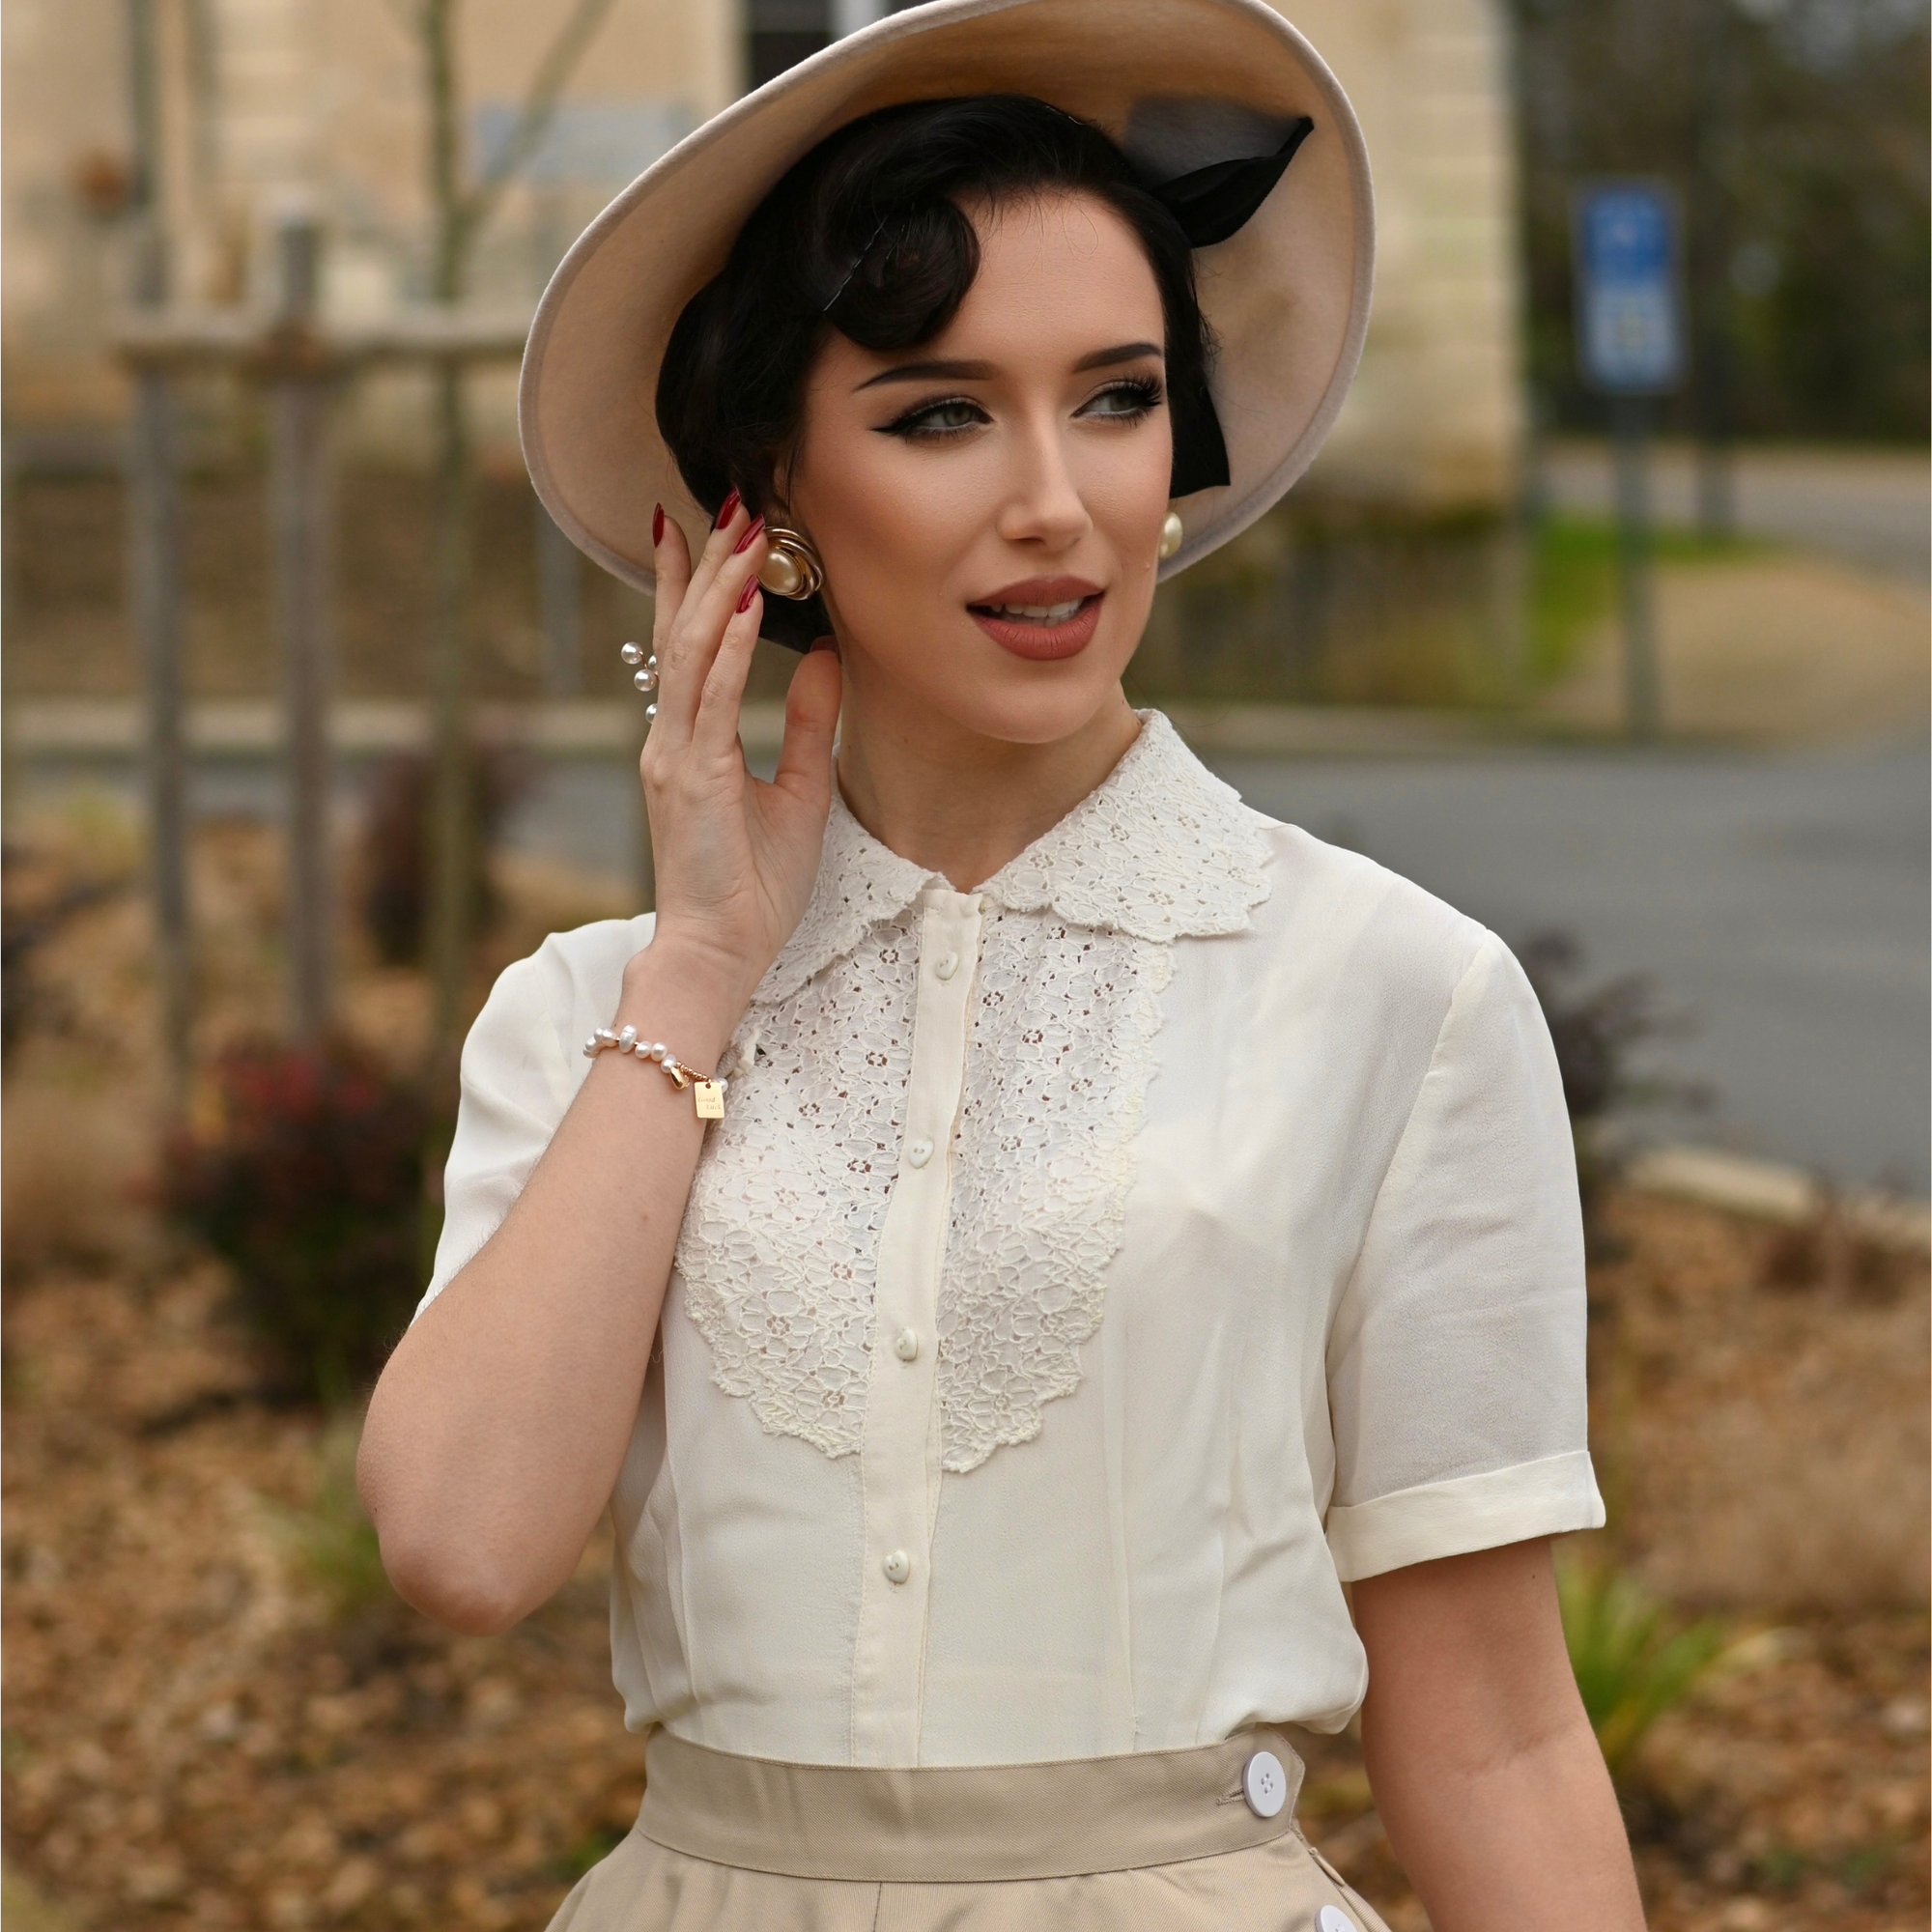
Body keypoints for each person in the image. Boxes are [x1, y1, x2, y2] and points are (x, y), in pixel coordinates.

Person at [358, 3, 1646, 1926]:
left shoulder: (1398, 993)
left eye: (1115, 397)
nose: (1055, 497)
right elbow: (462, 1543)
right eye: (939, 412)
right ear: (768, 502)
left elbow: (1491, 1729)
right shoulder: (588, 1014)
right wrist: (704, 963)